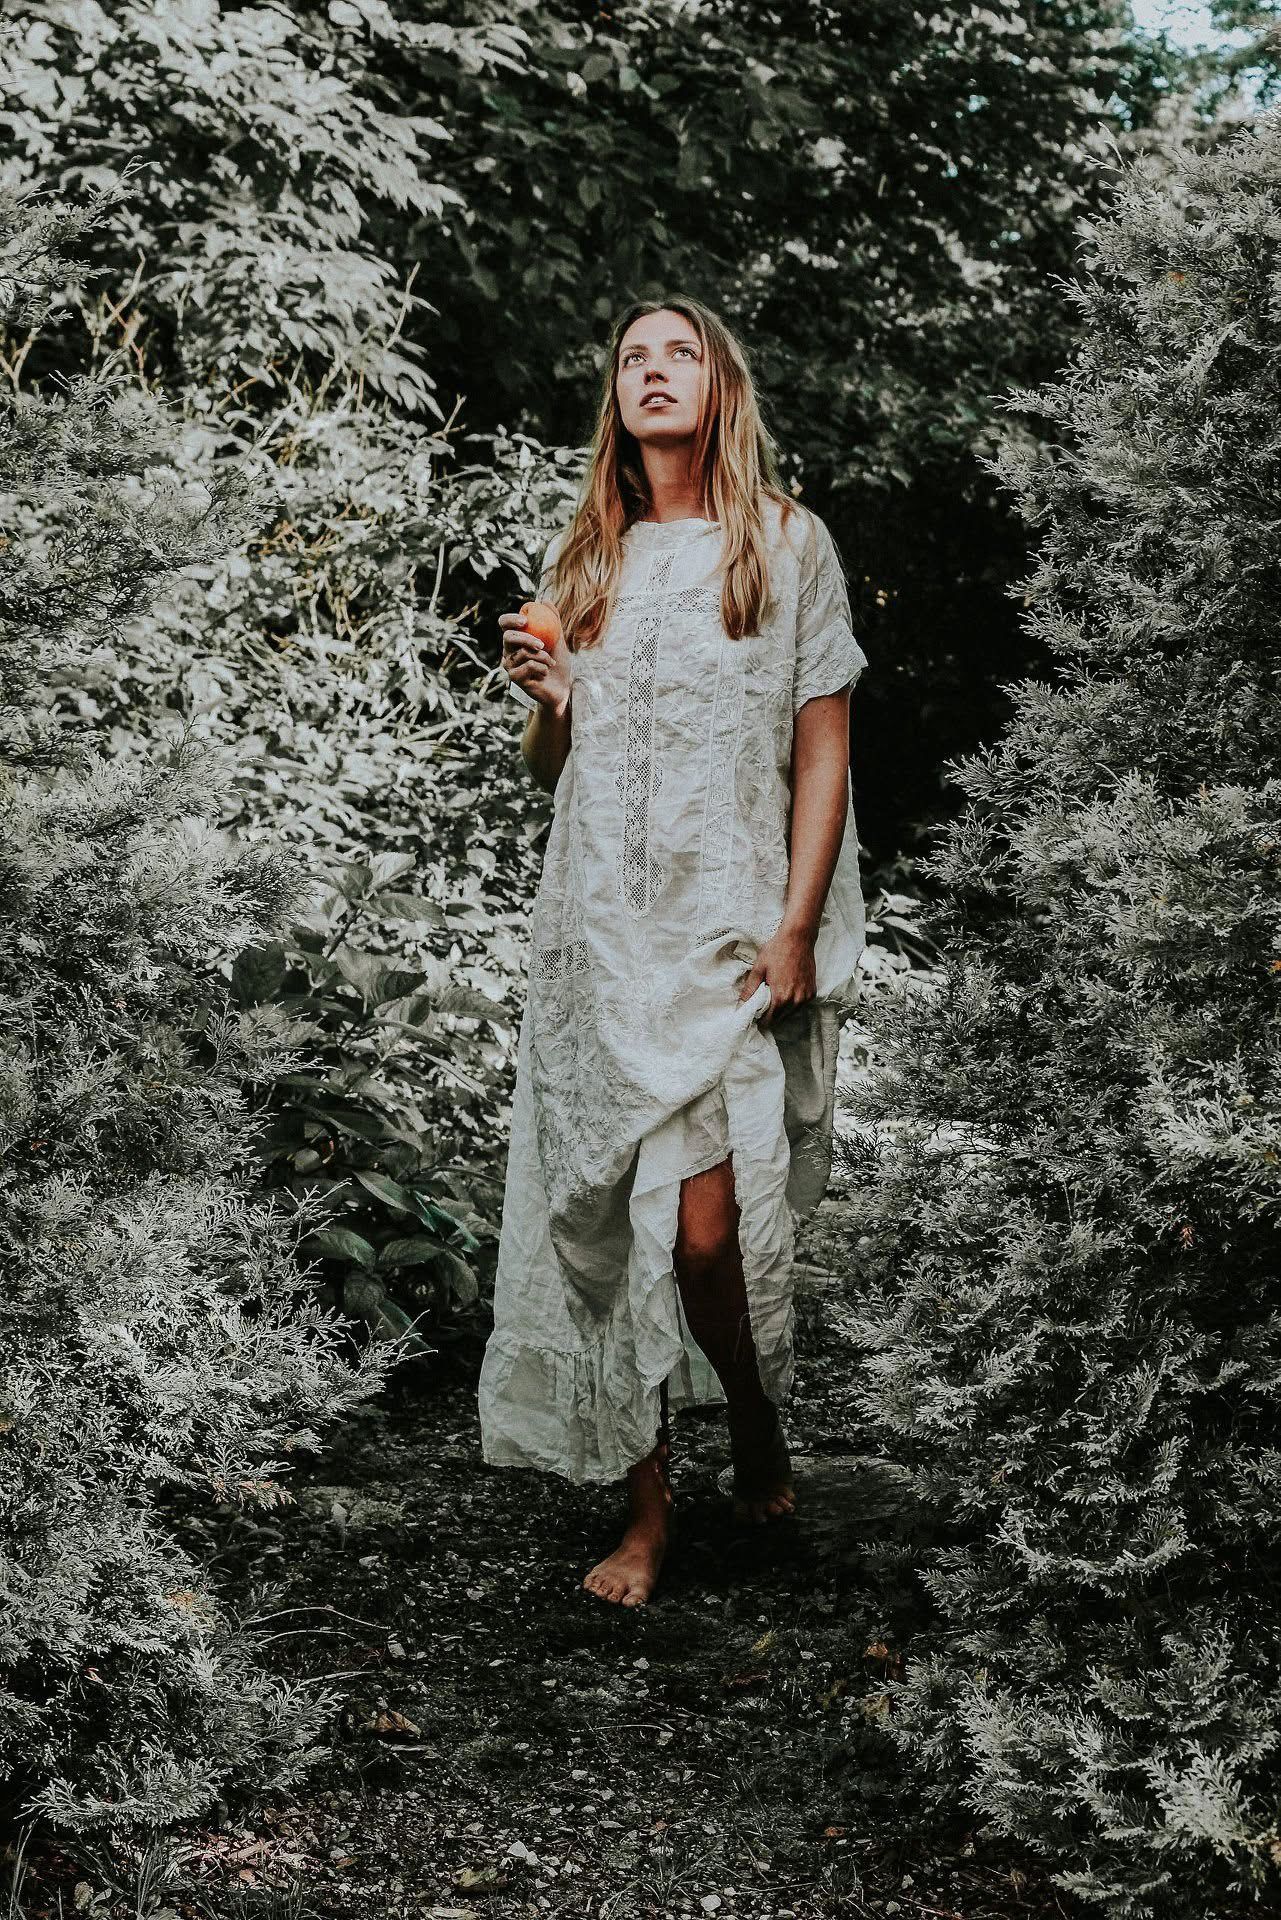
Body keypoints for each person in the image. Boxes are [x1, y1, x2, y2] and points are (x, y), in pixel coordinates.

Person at [478, 294, 869, 1608]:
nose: (653, 373)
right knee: (617, 1222)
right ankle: (647, 1516)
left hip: (722, 935)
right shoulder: (588, 558)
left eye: (678, 353)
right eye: (632, 359)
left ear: (721, 386)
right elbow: (560, 768)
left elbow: (822, 747)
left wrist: (797, 922)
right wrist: (548, 705)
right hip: (599, 933)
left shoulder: (785, 545)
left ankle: (748, 1418)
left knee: (706, 1242)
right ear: (616, 399)